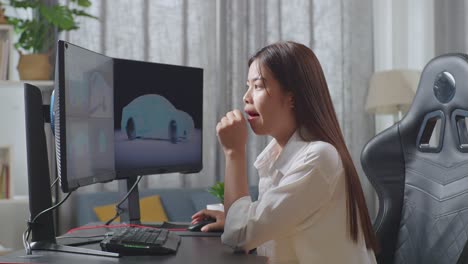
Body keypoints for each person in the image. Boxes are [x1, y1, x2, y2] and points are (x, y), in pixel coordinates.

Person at [192, 41, 378, 263]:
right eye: (247, 86)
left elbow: (239, 236)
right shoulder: (277, 154)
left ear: (291, 97)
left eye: (258, 86)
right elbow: (264, 223)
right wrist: (235, 219)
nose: (246, 97)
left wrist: (234, 152)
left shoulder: (319, 157)